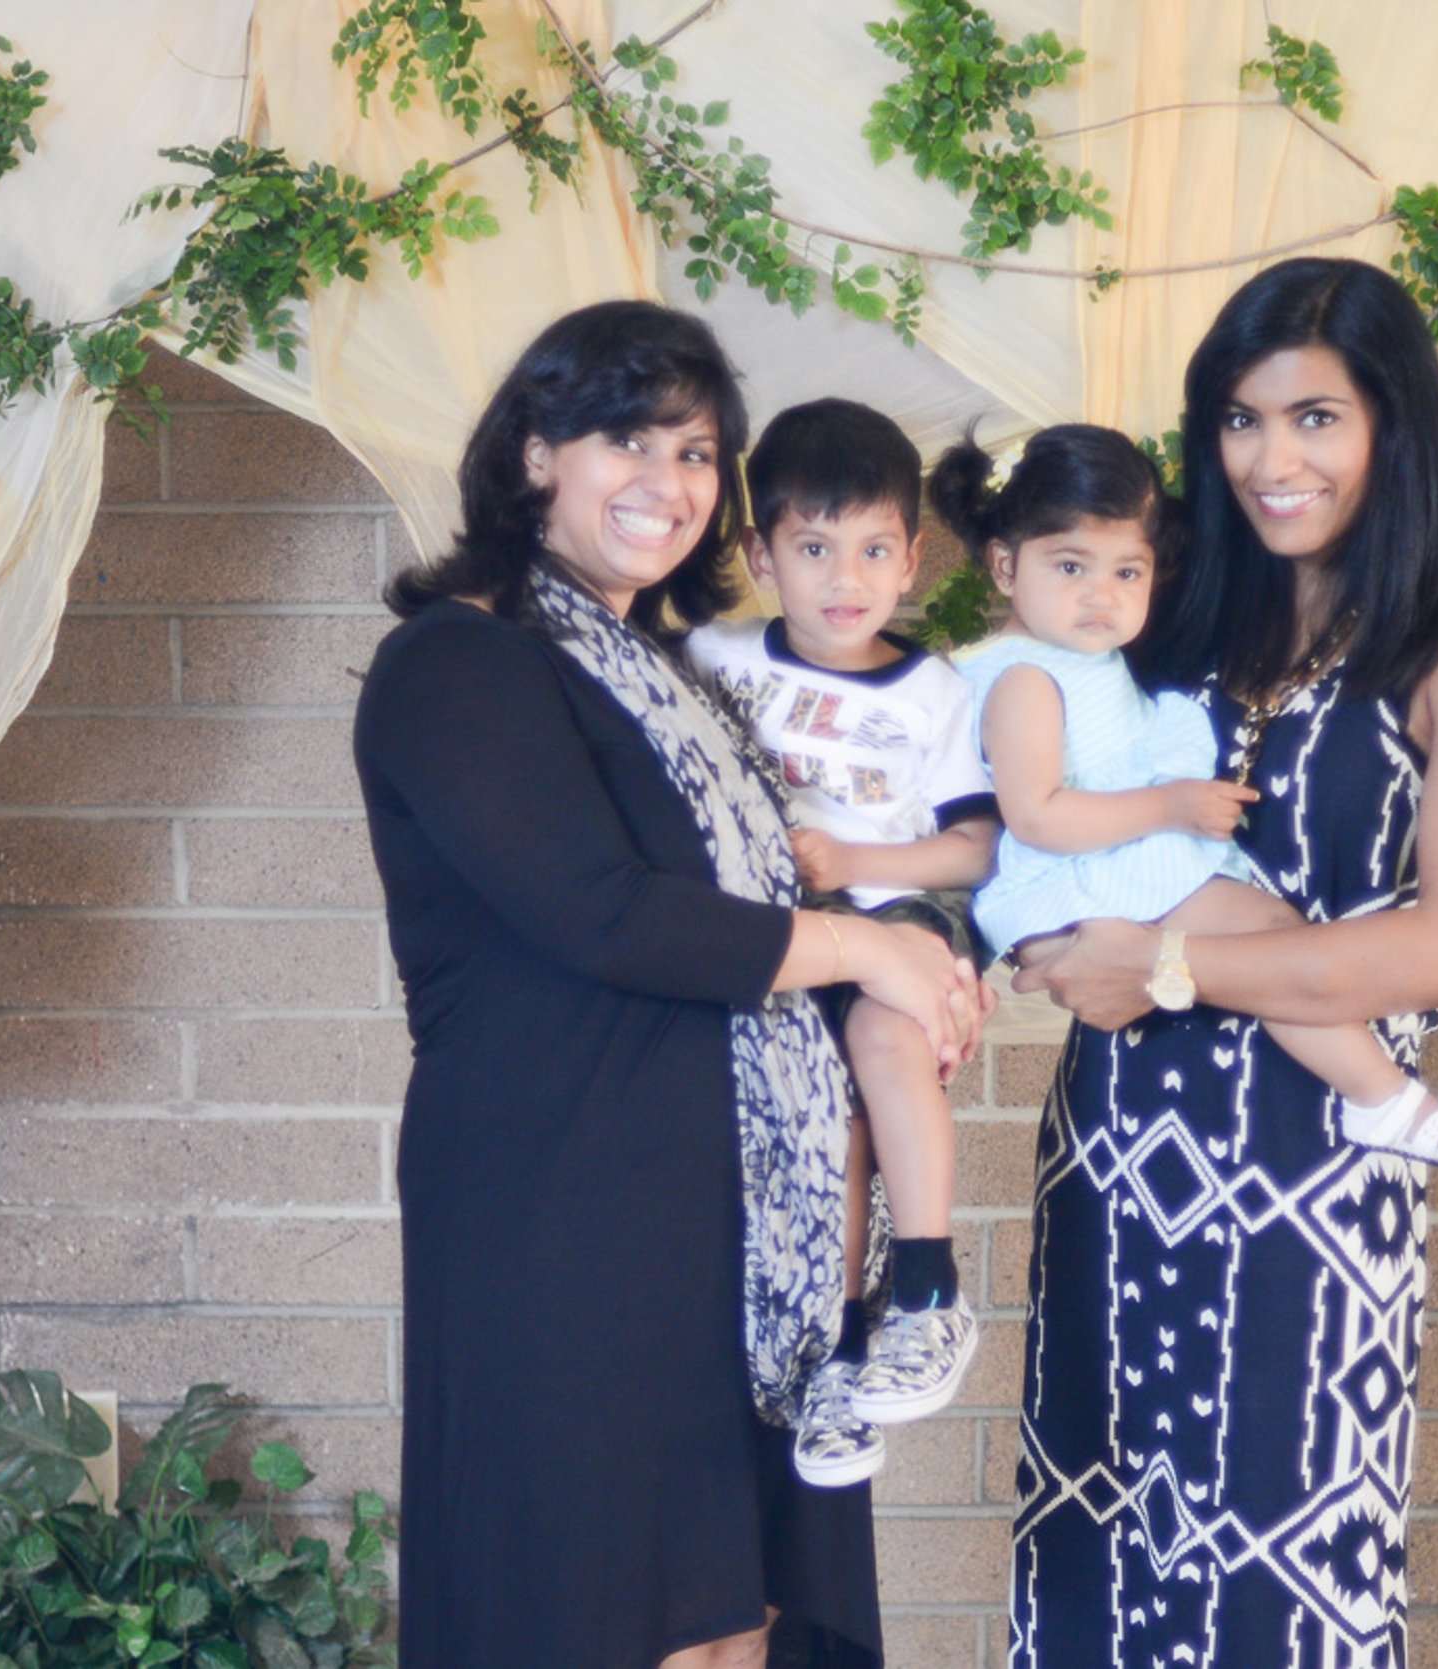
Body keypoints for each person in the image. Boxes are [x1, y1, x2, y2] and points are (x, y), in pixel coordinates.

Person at [353, 302, 985, 1669]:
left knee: (730, 1618)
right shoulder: (457, 662)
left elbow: (774, 908)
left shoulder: (676, 681)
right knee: (597, 1608)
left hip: (739, 1227)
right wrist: (867, 946)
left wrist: (914, 978)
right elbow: (604, 914)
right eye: (625, 440)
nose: (668, 483)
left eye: (698, 454)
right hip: (567, 1210)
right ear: (536, 454)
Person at [1004, 258, 1438, 1665]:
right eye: (1239, 420)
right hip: (1118, 1153)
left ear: (1390, 428)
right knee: (1094, 1567)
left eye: (1315, 418)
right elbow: (1038, 811)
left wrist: (1167, 964)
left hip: (1316, 1166)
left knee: (1279, 1580)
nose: (1271, 458)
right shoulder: (1164, 610)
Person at [933, 423, 1438, 1169]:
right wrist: (1169, 807)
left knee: (1267, 935)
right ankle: (1384, 1098)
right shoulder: (1025, 679)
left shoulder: (1075, 657)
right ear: (1005, 567)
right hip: (1084, 873)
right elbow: (1037, 815)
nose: (1100, 597)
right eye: (1070, 566)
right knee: (1273, 932)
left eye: (1127, 573)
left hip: (1111, 862)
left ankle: (1377, 1094)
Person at [685, 398, 1000, 1488]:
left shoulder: (933, 692)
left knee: (881, 1041)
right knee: (826, 1126)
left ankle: (926, 1286)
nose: (843, 576)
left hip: (892, 915)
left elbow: (972, 849)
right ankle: (833, 1358)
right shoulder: (717, 658)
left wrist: (860, 868)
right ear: (758, 553)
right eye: (812, 548)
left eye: (871, 548)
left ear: (912, 559)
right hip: (781, 937)